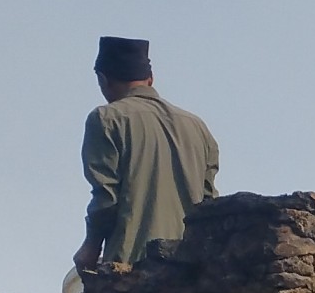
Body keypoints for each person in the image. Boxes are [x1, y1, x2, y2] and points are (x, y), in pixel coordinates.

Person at [74, 36, 220, 278]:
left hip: (131, 267)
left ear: (103, 80)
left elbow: (106, 198)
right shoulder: (197, 127)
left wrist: (91, 246)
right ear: (150, 79)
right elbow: (210, 205)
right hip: (189, 272)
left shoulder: (106, 119)